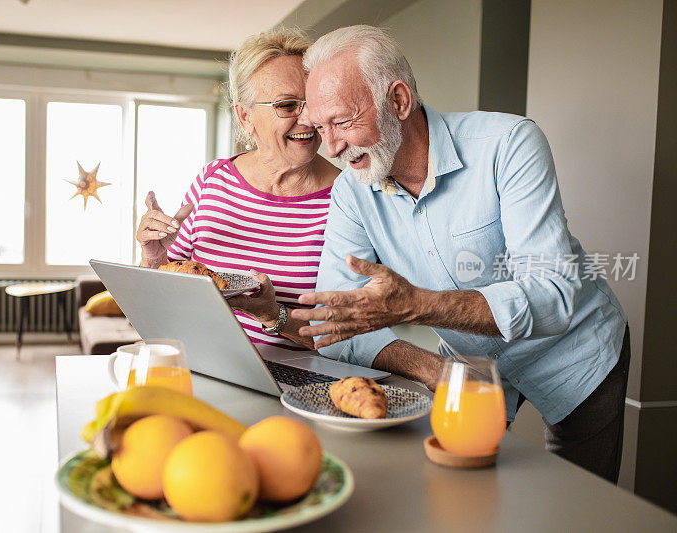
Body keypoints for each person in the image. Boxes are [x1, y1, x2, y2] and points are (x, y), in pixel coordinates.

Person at [291, 25, 629, 483]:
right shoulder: (352, 192)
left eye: (344, 123)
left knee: (577, 501)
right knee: (461, 492)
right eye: (319, 128)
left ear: (399, 101)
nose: (330, 148)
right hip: (468, 364)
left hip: (575, 351)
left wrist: (417, 305)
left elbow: (553, 294)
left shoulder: (509, 143)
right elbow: (338, 323)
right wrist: (430, 368)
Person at [136, 28, 339, 351]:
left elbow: (350, 336)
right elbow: (157, 300)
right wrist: (153, 258)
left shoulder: (346, 199)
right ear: (245, 117)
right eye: (287, 105)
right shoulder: (213, 179)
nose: (308, 119)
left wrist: (274, 315)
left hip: (292, 379)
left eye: (312, 103)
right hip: (199, 363)